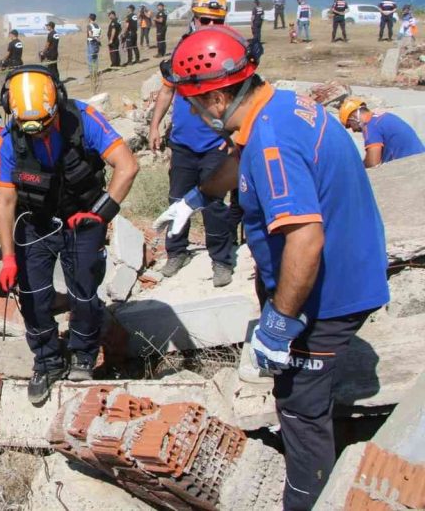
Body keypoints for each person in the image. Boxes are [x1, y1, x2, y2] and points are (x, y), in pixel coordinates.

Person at [155, 26, 389, 511]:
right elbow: (236, 158)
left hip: (328, 291)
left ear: (218, 99)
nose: (195, 115)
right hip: (341, 271)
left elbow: (305, 239)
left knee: (300, 407)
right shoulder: (276, 107)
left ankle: (307, 499)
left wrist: (281, 324)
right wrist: (196, 199)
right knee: (301, 392)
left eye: (196, 105)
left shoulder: (273, 142)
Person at [0, 66, 138, 404]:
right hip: (36, 221)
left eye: (44, 126)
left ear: (57, 103)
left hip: (82, 218)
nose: (39, 136)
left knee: (84, 291)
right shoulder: (9, 138)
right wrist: (8, 257)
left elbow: (127, 166)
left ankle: (83, 355)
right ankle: (46, 362)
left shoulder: (84, 119)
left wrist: (100, 214)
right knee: (33, 295)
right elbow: (5, 199)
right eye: (31, 130)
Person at [149, 0, 238, 287]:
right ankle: (176, 253)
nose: (210, 25)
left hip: (216, 142)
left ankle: (222, 260)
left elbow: (245, 99)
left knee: (214, 203)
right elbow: (166, 91)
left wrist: (236, 135)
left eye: (217, 20)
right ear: (193, 18)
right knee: (178, 198)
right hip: (183, 143)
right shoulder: (183, 51)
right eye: (204, 19)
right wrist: (154, 126)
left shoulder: (231, 53)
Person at [338, 98, 424, 167]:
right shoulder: (384, 117)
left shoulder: (371, 126)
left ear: (354, 117)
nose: (353, 130)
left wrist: (359, 167)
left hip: (409, 164)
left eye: (349, 125)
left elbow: (373, 162)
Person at [85, 13, 101, 78]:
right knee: (95, 58)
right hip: (97, 43)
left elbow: (90, 34)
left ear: (90, 18)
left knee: (90, 58)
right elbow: (99, 35)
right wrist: (97, 39)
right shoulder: (98, 26)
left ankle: (92, 73)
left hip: (91, 42)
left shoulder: (89, 26)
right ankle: (95, 72)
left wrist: (94, 38)